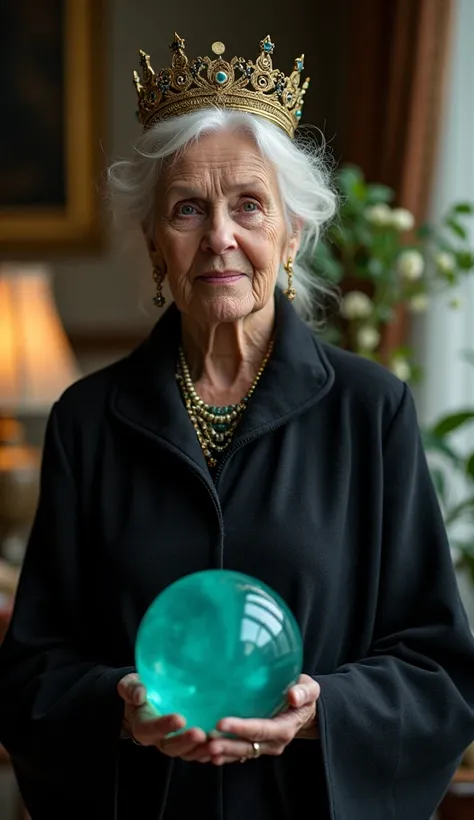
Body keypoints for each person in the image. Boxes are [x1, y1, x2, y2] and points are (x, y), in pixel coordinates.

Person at [0, 31, 474, 820]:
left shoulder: (371, 411)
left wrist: (321, 707)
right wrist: (118, 704)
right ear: (155, 243)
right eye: (188, 208)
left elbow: (437, 670)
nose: (220, 235)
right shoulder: (87, 420)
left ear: (291, 234)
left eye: (249, 205)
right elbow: (30, 674)